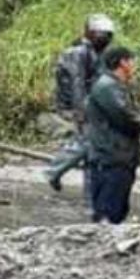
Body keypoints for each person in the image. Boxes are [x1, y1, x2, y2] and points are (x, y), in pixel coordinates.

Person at [43, 14, 117, 192]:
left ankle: (88, 185)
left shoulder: (96, 53)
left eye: (108, 35)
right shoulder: (78, 53)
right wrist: (81, 111)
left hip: (91, 104)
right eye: (101, 34)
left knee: (92, 145)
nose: (105, 39)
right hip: (74, 105)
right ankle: (53, 172)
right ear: (91, 33)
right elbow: (77, 82)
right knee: (88, 143)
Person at [83, 47, 140, 224]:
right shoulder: (107, 86)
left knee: (117, 210)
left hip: (118, 157)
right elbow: (126, 118)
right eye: (132, 61)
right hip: (110, 159)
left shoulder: (115, 86)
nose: (134, 66)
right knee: (108, 213)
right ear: (123, 62)